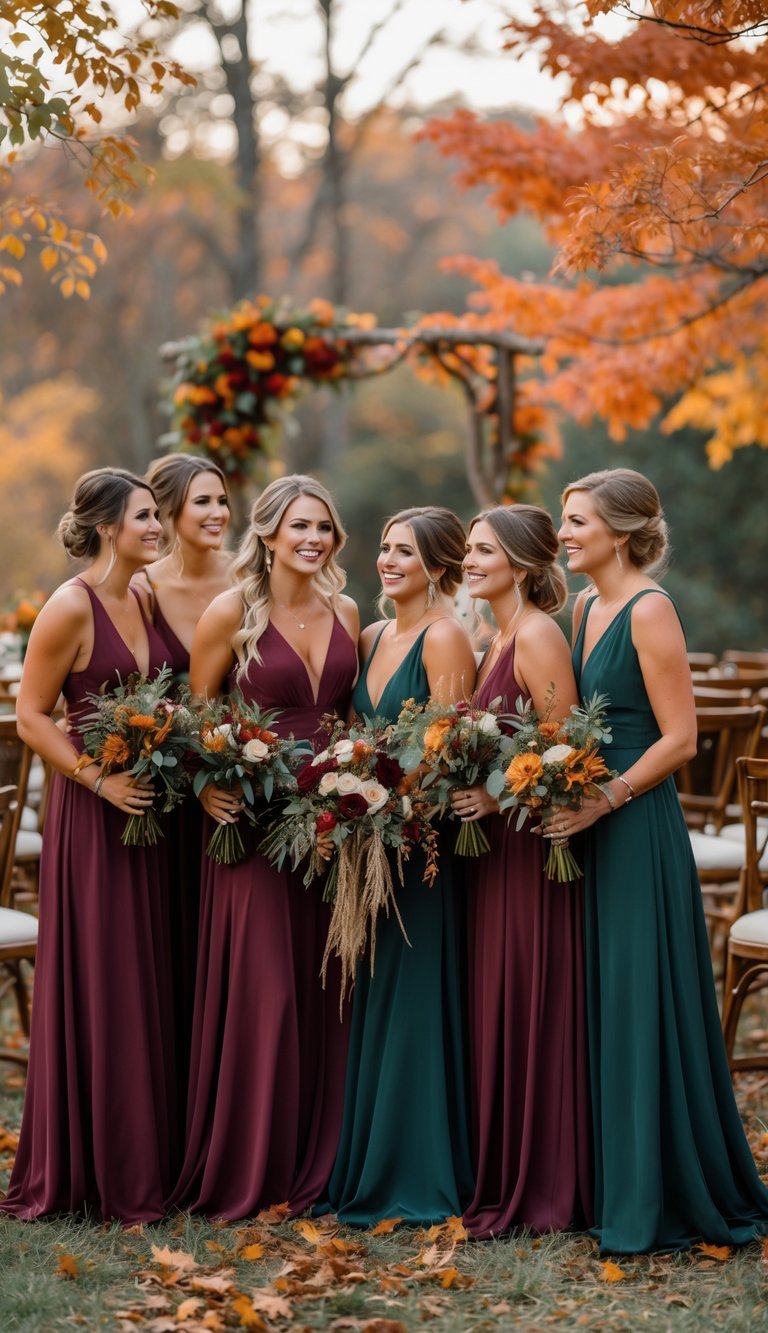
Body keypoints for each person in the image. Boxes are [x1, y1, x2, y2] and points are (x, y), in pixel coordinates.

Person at [555, 467, 768, 1253]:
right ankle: (605, 1177)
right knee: (600, 997)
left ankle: (657, 1190)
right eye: (564, 519)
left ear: (621, 529)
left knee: (641, 999)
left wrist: (604, 797)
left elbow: (681, 739)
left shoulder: (650, 609)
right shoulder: (582, 608)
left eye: (578, 521)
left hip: (637, 825)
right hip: (585, 818)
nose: (566, 532)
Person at [169, 474, 359, 1220]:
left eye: (324, 527)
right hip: (251, 827)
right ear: (270, 533)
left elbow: (346, 713)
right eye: (300, 526)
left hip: (333, 825)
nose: (314, 539)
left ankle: (325, 1159)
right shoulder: (231, 613)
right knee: (267, 995)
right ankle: (253, 1166)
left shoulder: (346, 608)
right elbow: (195, 717)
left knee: (326, 990)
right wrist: (203, 785)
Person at [1, 469, 176, 1222]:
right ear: (107, 525)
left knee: (145, 975)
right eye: (145, 516)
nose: (158, 527)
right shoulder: (69, 607)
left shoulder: (139, 595)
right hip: (94, 809)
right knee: (106, 976)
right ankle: (101, 1166)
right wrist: (98, 784)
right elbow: (33, 715)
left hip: (149, 808)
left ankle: (150, 1155)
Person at [325, 506, 477, 1226]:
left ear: (440, 567)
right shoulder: (374, 633)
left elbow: (446, 750)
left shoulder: (445, 636)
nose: (388, 561)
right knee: (376, 995)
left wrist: (390, 804)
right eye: (384, 548)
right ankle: (370, 1159)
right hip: (367, 842)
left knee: (415, 994)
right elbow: (355, 734)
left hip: (418, 847)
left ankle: (417, 1168)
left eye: (405, 553)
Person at [452, 505, 592, 1237]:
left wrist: (492, 790)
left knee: (529, 999)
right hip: (495, 850)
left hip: (529, 849)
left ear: (523, 562)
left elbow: (562, 753)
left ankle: (542, 1179)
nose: (469, 559)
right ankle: (504, 1165)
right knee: (498, 998)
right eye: (470, 549)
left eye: (482, 550)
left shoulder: (536, 635)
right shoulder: (495, 632)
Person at [133, 454, 233, 1158]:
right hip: (164, 796)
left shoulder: (246, 581)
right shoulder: (138, 588)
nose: (218, 513)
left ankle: (219, 1120)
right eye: (202, 502)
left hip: (237, 791)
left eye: (223, 500)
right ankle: (166, 1130)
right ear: (168, 512)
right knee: (165, 952)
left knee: (220, 958)